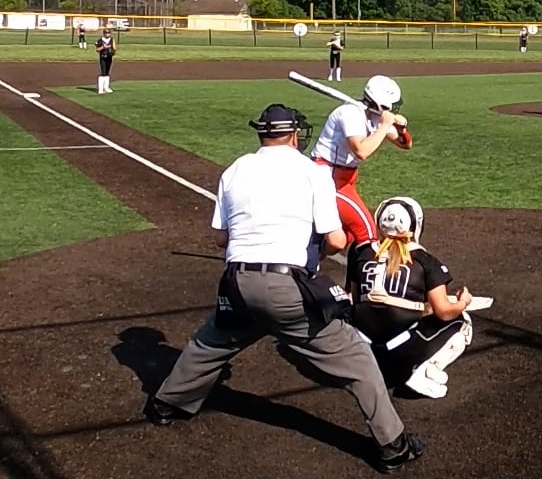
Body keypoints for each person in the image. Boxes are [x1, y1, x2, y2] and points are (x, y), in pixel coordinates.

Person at [146, 104, 425, 472]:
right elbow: (337, 240)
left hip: (237, 284)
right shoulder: (313, 172)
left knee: (212, 342)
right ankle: (393, 445)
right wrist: (322, 248)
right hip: (286, 289)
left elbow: (221, 239)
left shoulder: (235, 170)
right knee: (356, 358)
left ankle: (166, 404)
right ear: (294, 135)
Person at [348, 197, 476, 400]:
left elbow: (355, 299)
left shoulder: (361, 254)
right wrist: (463, 302)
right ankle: (422, 372)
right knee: (462, 321)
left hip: (363, 346)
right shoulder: (424, 260)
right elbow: (444, 312)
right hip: (400, 350)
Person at [313, 75, 413, 248]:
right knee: (367, 232)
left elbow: (405, 144)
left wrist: (402, 129)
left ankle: (313, 257)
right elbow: (361, 151)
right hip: (328, 178)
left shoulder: (375, 117)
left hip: (345, 179)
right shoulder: (350, 113)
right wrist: (385, 126)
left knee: (346, 237)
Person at [96, 28, 117, 94]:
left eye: (109, 33)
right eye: (106, 33)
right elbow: (97, 49)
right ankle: (100, 89)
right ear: (104, 34)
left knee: (107, 72)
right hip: (103, 57)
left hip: (109, 57)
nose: (108, 34)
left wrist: (113, 52)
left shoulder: (111, 40)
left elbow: (114, 48)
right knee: (103, 72)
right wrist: (103, 47)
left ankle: (106, 87)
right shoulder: (100, 40)